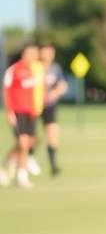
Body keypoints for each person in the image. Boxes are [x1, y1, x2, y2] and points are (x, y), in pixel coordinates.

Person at [1, 43, 44, 189]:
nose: (34, 55)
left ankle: (7, 163)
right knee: (24, 144)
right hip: (17, 112)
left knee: (29, 142)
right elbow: (6, 91)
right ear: (24, 53)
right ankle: (22, 177)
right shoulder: (14, 70)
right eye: (31, 52)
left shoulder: (36, 70)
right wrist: (9, 112)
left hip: (31, 112)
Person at [38, 43, 68, 176]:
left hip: (50, 106)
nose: (48, 55)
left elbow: (62, 85)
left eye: (50, 52)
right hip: (34, 105)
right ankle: (26, 159)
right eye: (45, 52)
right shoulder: (35, 68)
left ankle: (53, 165)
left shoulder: (56, 68)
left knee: (53, 133)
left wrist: (54, 93)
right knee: (31, 138)